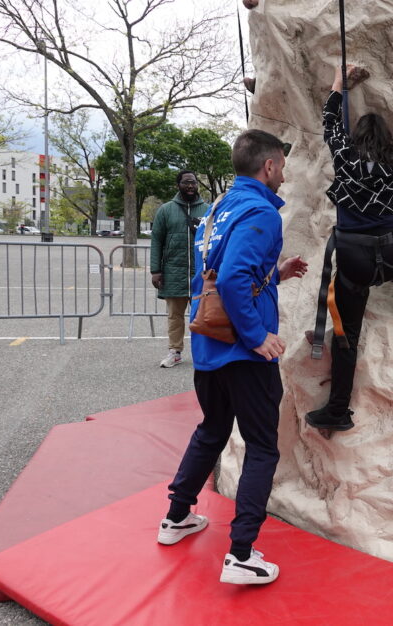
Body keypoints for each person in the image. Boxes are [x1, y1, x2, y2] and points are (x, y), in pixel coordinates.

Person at [156, 129, 307, 586]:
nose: (284, 172)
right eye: (282, 164)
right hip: (243, 353)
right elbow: (235, 277)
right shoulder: (261, 211)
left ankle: (177, 516)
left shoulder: (220, 207)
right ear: (269, 167)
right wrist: (257, 335)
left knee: (213, 430)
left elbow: (226, 270)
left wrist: (274, 274)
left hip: (209, 346)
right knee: (262, 446)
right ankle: (241, 553)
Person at [306, 64, 393, 433]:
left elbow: (330, 123)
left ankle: (337, 410)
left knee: (346, 336)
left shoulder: (345, 157)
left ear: (357, 138)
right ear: (386, 140)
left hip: (353, 260)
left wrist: (338, 84)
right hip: (391, 254)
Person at [150, 171, 210, 368]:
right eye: (186, 182)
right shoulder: (166, 210)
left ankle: (204, 353)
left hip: (201, 274)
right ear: (178, 185)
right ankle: (174, 351)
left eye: (193, 182)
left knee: (204, 315)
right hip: (173, 271)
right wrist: (155, 270)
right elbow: (157, 240)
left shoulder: (209, 210)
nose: (190, 186)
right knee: (175, 316)